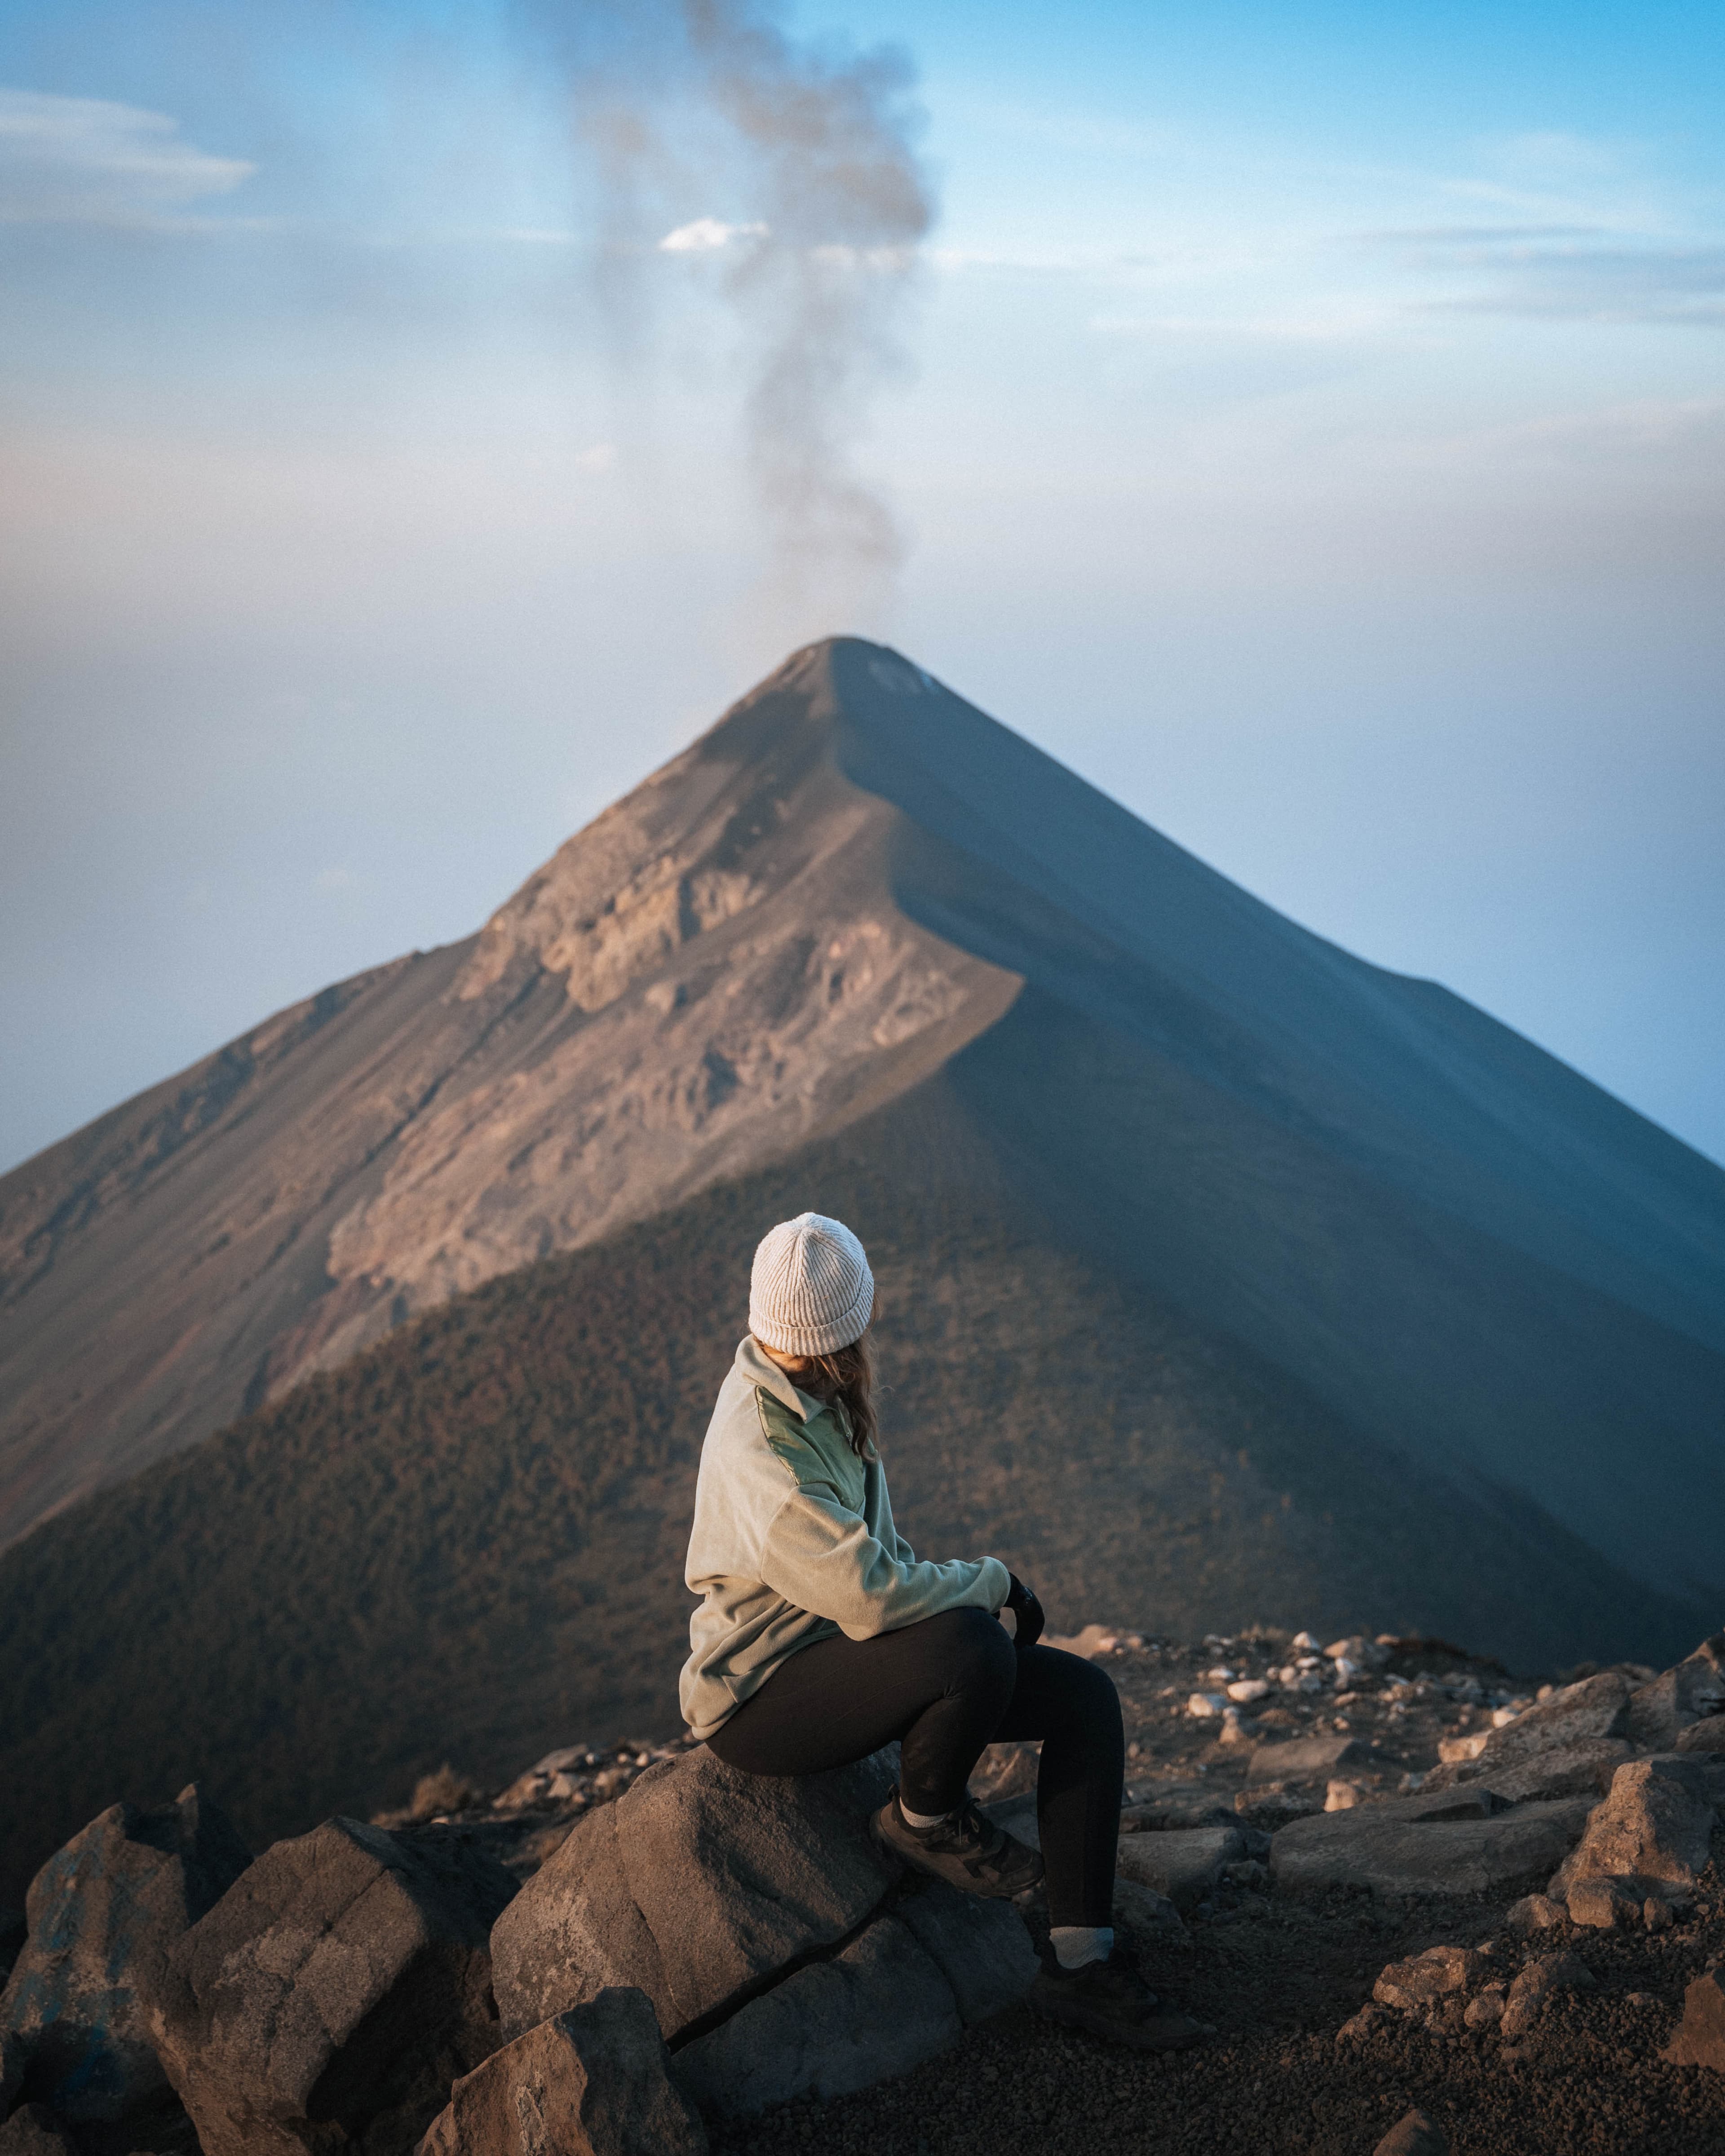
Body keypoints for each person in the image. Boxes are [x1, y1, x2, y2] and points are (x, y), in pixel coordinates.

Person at [679, 1210, 1203, 2050]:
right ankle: (922, 1819)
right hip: (761, 1697)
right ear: (850, 1325)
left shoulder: (813, 1393)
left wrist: (961, 1592)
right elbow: (870, 1593)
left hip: (837, 1650)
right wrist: (991, 1581)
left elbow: (874, 1558)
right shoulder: (768, 1458)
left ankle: (1082, 1965)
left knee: (1086, 1699)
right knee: (973, 1651)